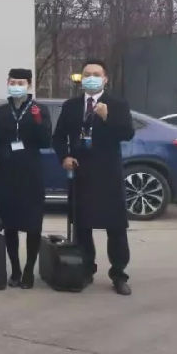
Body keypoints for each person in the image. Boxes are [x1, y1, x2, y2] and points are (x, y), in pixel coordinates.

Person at [52, 58, 135, 295]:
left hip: (108, 173)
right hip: (81, 172)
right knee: (83, 225)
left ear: (105, 79)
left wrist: (108, 117)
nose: (91, 78)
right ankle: (86, 268)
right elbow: (58, 137)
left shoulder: (117, 104)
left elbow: (127, 133)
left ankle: (119, 274)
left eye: (96, 74)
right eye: (87, 74)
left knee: (115, 227)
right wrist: (65, 156)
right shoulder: (71, 106)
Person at [0, 68, 52, 288]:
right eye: (13, 82)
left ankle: (29, 270)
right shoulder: (3, 111)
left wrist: (38, 121)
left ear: (29, 85)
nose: (16, 86)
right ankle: (15, 269)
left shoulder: (39, 109)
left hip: (31, 173)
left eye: (21, 83)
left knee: (32, 225)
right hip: (7, 172)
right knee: (10, 224)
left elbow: (45, 141)